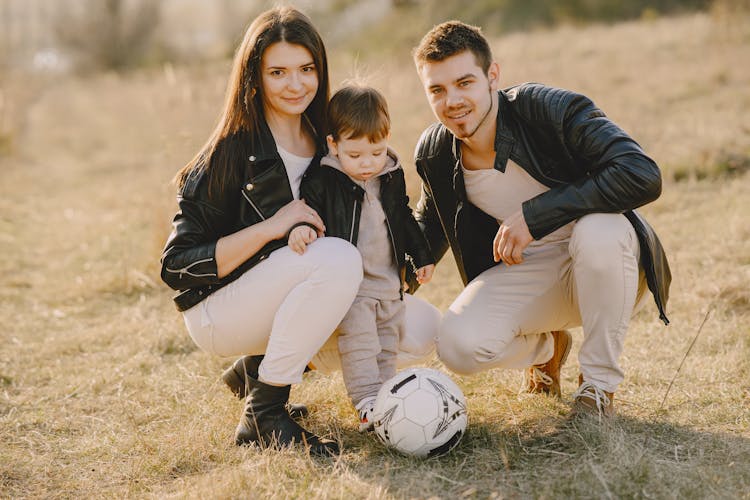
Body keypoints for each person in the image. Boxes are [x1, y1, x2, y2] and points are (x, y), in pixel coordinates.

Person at [409, 21, 671, 418]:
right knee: (457, 345)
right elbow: (426, 233)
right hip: (532, 274)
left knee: (597, 230)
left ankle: (597, 387)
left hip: (610, 264)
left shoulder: (547, 109)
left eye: (465, 83)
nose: (453, 100)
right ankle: (549, 347)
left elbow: (641, 172)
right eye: (438, 90)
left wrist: (535, 217)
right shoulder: (435, 151)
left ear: (492, 75)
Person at [160, 7, 360, 456]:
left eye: (307, 69)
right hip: (218, 312)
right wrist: (273, 227)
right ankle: (265, 415)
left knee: (412, 330)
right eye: (279, 72)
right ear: (255, 77)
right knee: (338, 261)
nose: (296, 85)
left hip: (278, 294)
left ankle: (252, 372)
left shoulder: (326, 137)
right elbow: (177, 266)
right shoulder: (232, 150)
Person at [288, 85, 435, 431]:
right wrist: (298, 229)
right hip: (352, 287)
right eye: (354, 155)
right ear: (333, 145)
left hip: (388, 282)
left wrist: (422, 256)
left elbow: (402, 217)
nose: (367, 163)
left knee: (387, 343)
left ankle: (386, 395)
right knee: (360, 343)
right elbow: (303, 211)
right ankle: (367, 401)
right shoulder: (324, 179)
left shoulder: (391, 175)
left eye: (377, 151)